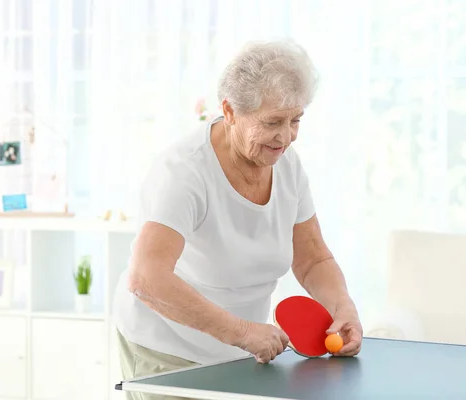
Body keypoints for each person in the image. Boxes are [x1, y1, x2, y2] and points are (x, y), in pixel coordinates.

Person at [112, 39, 363, 400]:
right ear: (229, 111)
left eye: (295, 120)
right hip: (166, 347)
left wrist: (344, 308)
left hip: (238, 352)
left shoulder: (287, 165)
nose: (286, 137)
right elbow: (146, 278)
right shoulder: (184, 173)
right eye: (272, 122)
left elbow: (312, 258)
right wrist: (243, 332)